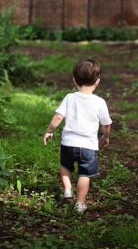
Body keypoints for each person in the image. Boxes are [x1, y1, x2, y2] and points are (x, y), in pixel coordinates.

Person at [43, 59, 112, 213]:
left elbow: (58, 117)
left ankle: (68, 189)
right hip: (88, 147)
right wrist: (106, 137)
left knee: (65, 166)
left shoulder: (69, 97)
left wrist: (49, 131)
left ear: (74, 80)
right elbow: (106, 124)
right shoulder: (100, 102)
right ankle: (80, 204)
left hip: (68, 143)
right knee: (85, 174)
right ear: (97, 82)